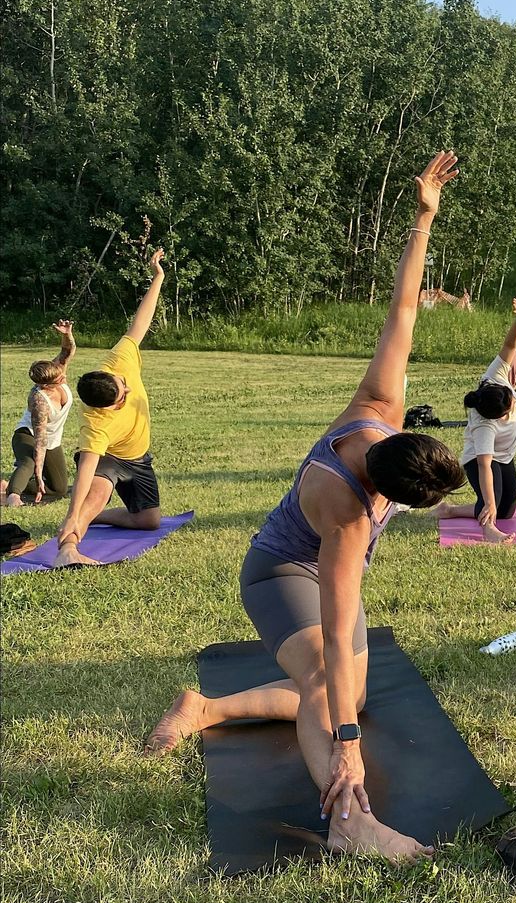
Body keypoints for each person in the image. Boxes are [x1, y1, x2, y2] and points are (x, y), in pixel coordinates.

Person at [147, 154, 467, 863]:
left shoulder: (378, 407)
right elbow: (334, 608)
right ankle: (350, 821)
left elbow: (404, 310)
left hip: (320, 565)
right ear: (388, 496)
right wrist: (348, 747)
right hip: (278, 572)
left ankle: (204, 709)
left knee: (343, 698)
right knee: (331, 693)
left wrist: (424, 216)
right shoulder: (349, 517)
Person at [53, 254, 168, 567]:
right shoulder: (95, 425)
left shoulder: (118, 363)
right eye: (123, 395)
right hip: (112, 458)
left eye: (122, 384)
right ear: (107, 406)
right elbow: (86, 473)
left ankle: (91, 518)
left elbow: (139, 323)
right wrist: (73, 515)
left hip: (139, 458)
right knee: (94, 495)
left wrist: (157, 277)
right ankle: (68, 548)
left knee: (149, 521)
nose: (128, 390)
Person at [440, 299, 516, 542]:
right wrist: (489, 503)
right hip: (481, 459)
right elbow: (484, 466)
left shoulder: (495, 377)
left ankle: (449, 510)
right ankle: (488, 530)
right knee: (490, 501)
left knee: (507, 510)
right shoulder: (483, 426)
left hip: (505, 456)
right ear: (493, 417)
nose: (512, 409)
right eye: (506, 413)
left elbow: (509, 345)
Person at [3, 321, 76, 507]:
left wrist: (66, 334)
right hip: (28, 436)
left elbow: (68, 351)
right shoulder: (39, 401)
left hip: (52, 440)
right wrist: (39, 473)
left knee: (59, 489)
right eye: (60, 378)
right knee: (28, 463)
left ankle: (6, 484)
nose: (64, 377)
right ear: (45, 385)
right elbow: (40, 441)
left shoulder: (55, 370)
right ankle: (12, 495)